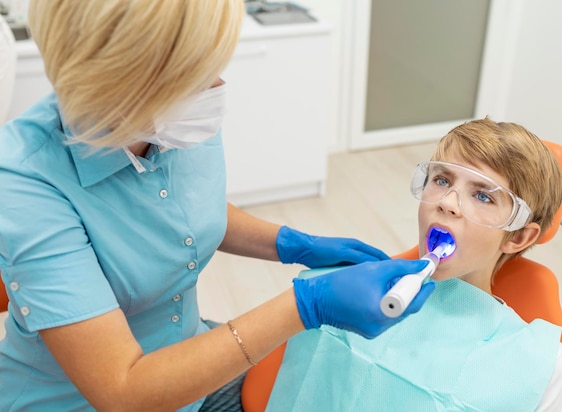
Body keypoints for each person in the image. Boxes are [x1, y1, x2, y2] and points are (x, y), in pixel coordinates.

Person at [0, 1, 435, 411]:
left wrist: (293, 244)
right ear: (130, 84)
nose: (217, 87)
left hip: (194, 361)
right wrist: (304, 306)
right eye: (197, 73)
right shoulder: (24, 183)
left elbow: (181, 210)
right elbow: (123, 390)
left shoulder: (172, 120)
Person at [267, 118, 562, 411]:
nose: (448, 203)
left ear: (517, 237)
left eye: (482, 196)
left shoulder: (539, 365)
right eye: (441, 180)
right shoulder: (348, 292)